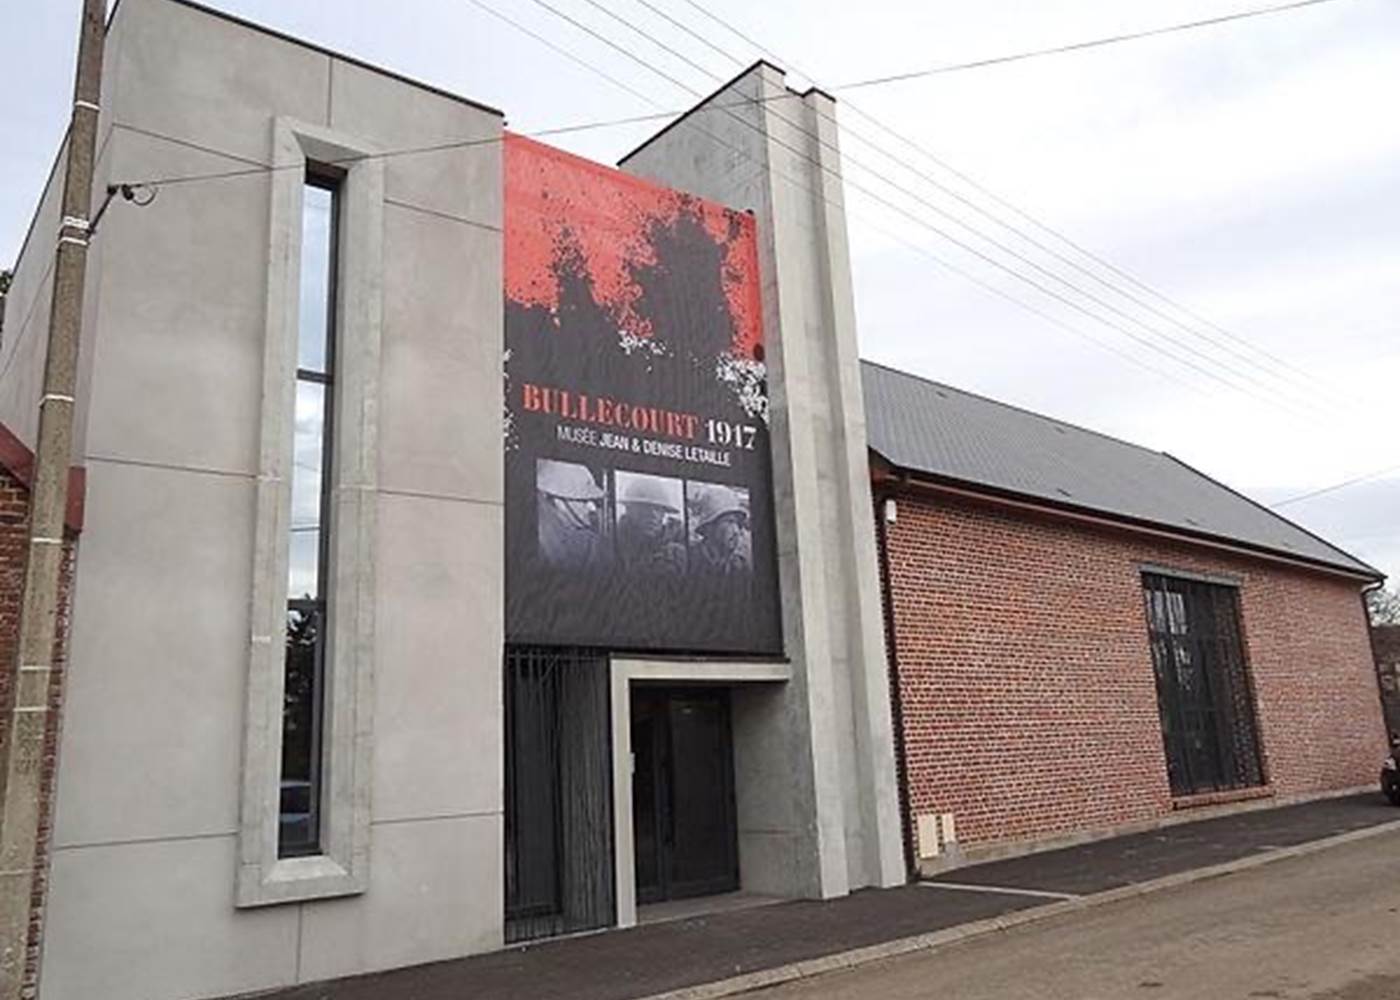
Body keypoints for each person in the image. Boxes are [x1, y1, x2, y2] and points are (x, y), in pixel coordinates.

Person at [536, 460, 606, 571]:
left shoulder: (590, 535)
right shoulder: (541, 541)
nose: (592, 508)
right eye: (583, 501)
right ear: (559, 502)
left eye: (592, 500)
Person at [616, 476, 686, 576]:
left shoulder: (678, 548)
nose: (653, 515)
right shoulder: (613, 543)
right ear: (629, 509)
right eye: (645, 507)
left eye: (659, 508)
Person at [690, 484, 751, 576]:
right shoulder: (689, 559)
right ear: (709, 527)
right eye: (729, 522)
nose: (736, 531)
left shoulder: (739, 566)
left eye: (738, 524)